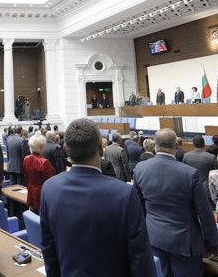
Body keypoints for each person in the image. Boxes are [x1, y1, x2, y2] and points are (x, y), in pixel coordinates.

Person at [41, 118, 156, 276]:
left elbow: (49, 251)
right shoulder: (124, 194)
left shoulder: (49, 189)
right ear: (101, 150)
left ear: (66, 149)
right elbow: (141, 259)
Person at [133, 128, 218, 277]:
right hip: (184, 243)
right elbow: (205, 214)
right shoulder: (190, 174)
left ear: (154, 145)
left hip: (153, 237)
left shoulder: (140, 168)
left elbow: (138, 207)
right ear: (177, 146)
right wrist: (212, 246)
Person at [23, 135, 55, 214]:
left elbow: (26, 178)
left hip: (31, 192)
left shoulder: (26, 159)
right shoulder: (44, 162)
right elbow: (50, 182)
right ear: (42, 147)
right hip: (42, 195)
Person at [183, 134, 218, 205]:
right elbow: (216, 174)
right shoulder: (211, 157)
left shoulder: (186, 156)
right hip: (207, 190)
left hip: (191, 188)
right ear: (204, 144)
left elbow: (184, 172)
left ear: (193, 144)